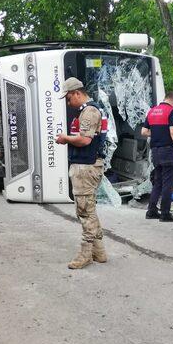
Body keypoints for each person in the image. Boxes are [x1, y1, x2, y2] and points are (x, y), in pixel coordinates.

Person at [55, 77, 107, 269]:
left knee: (84, 211)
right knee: (89, 209)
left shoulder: (89, 111)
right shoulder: (86, 110)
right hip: (84, 165)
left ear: (77, 93)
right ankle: (99, 251)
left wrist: (65, 138)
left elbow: (85, 140)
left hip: (86, 166)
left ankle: (86, 253)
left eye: (69, 98)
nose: (69, 103)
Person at [141, 92, 173, 222]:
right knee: (168, 183)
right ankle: (165, 213)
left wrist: (155, 134)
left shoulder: (152, 111)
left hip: (155, 151)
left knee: (158, 181)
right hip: (167, 150)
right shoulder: (171, 111)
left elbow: (143, 131)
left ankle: (151, 211)